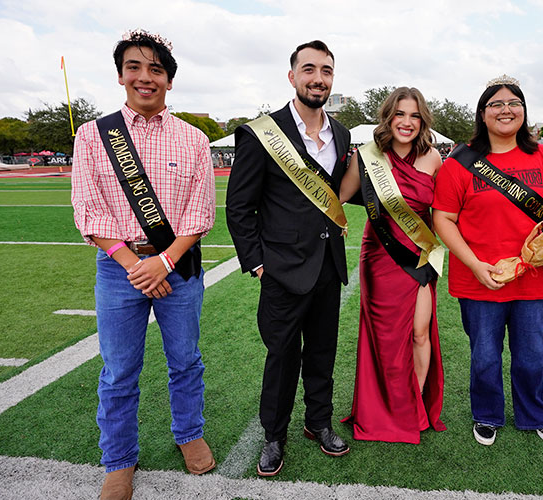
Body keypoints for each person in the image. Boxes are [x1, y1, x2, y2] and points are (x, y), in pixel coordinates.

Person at [70, 30, 216, 500]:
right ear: (120, 75)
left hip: (178, 266)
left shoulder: (194, 139)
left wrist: (165, 262)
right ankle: (118, 460)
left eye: (156, 69)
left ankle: (189, 433)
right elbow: (89, 211)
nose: (145, 77)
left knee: (186, 360)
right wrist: (138, 266)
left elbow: (201, 213)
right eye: (135, 67)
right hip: (119, 269)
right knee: (118, 371)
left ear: (169, 81)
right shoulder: (92, 135)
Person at [432, 75, 543, 447]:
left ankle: (534, 415)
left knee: (532, 355)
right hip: (480, 279)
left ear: (524, 112)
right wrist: (474, 265)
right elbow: (443, 220)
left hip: (534, 277)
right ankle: (487, 414)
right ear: (483, 114)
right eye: (496, 104)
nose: (506, 110)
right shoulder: (459, 161)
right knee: (484, 356)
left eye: (514, 103)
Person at [226, 40, 352, 477]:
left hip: (327, 265)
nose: (319, 78)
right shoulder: (261, 132)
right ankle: (274, 435)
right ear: (292, 75)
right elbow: (239, 206)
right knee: (282, 356)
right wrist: (257, 262)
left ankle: (318, 422)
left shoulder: (342, 133)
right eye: (310, 69)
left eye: (327, 71)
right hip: (281, 270)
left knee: (322, 352)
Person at [339, 87, 446, 443]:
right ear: (388, 117)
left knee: (419, 333)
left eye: (415, 115)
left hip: (419, 254)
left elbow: (444, 213)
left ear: (422, 120)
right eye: (400, 114)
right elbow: (336, 201)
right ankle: (385, 410)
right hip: (380, 255)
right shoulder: (367, 156)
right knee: (384, 340)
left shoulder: (433, 159)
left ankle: (411, 405)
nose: (407, 122)